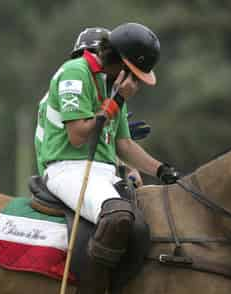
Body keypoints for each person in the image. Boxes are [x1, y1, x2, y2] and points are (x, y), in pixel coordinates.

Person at [36, 23, 180, 294]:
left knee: (153, 220)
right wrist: (117, 100)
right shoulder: (75, 72)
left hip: (105, 173)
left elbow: (123, 145)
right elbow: (77, 136)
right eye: (134, 75)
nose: (135, 83)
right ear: (121, 63)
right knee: (117, 217)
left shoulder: (110, 84)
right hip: (67, 168)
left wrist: (161, 170)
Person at [34, 27, 151, 187]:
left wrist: (112, 135)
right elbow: (77, 139)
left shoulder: (105, 88)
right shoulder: (73, 80)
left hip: (88, 169)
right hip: (63, 171)